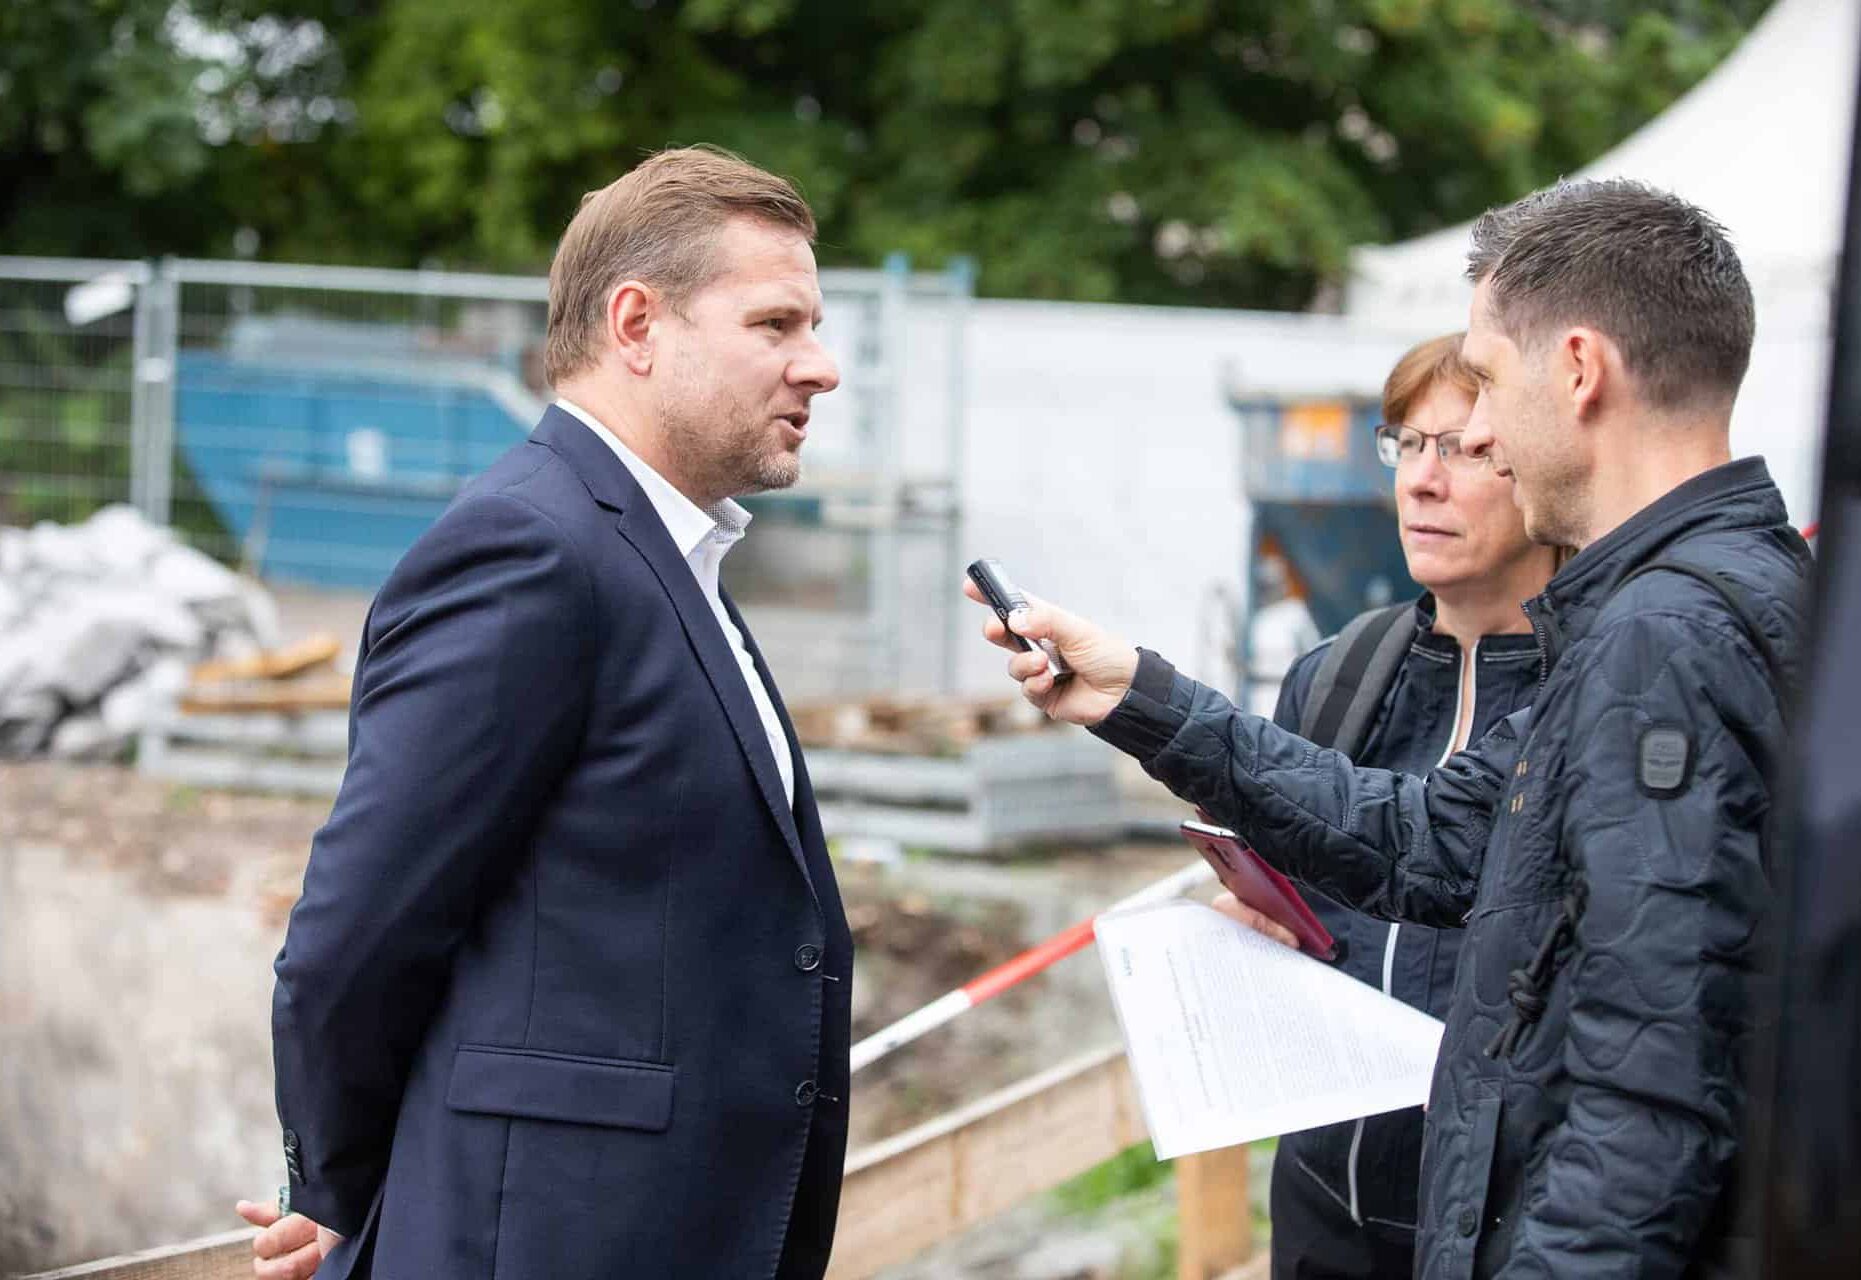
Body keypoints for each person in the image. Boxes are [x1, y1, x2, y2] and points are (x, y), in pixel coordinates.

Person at [969, 178, 1811, 1278]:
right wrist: (1138, 694)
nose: (1486, 441)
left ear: (1576, 369)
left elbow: (1646, 1091)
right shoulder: (1723, 595)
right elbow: (1437, 838)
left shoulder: (1664, 635)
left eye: (1491, 385)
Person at [234, 145, 853, 1280]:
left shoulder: (667, 552)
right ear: (636, 324)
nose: (819, 367)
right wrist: (340, 1191)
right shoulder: (528, 548)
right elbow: (357, 932)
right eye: (776, 324)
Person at [1256, 334, 1559, 1280]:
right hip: (1320, 1198)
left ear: (1547, 467)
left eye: (1466, 450)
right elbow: (1294, 900)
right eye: (1407, 444)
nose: (1422, 482)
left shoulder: (1595, 690)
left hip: (1501, 1232)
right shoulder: (1338, 676)